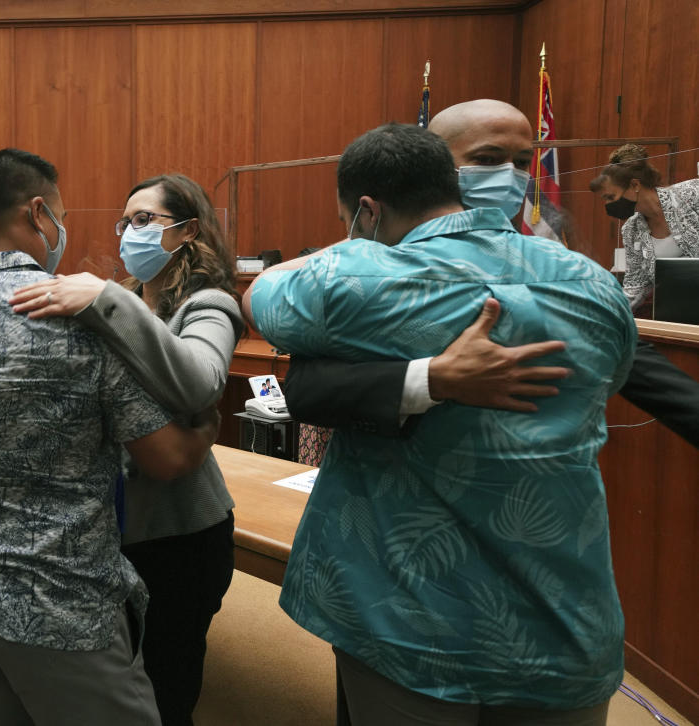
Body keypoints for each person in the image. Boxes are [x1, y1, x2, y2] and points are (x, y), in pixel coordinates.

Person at [246, 123, 636, 724]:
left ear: (366, 212)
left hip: (409, 616)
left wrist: (351, 248)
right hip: (562, 612)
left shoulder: (356, 283)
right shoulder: (597, 286)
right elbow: (606, 381)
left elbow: (262, 296)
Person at [0, 149, 221, 726]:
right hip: (63, 607)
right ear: (40, 214)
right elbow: (166, 458)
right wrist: (206, 430)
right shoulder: (76, 323)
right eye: (62, 216)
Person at [282, 99, 699, 451]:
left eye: (521, 162)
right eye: (486, 160)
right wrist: (431, 380)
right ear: (430, 169)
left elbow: (640, 366)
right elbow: (307, 387)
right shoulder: (365, 261)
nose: (510, 177)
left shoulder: (561, 274)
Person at [7, 173, 241, 726]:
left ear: (186, 231)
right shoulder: (130, 304)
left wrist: (106, 297)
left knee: (166, 685)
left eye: (143, 221)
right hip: (115, 532)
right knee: (120, 685)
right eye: (124, 222)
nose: (127, 233)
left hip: (182, 535)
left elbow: (201, 383)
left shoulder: (208, 303)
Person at [589, 143, 699, 312]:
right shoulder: (631, 230)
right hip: (681, 311)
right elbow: (635, 288)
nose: (608, 204)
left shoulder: (692, 193)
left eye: (611, 196)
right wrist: (608, 311)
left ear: (635, 185)